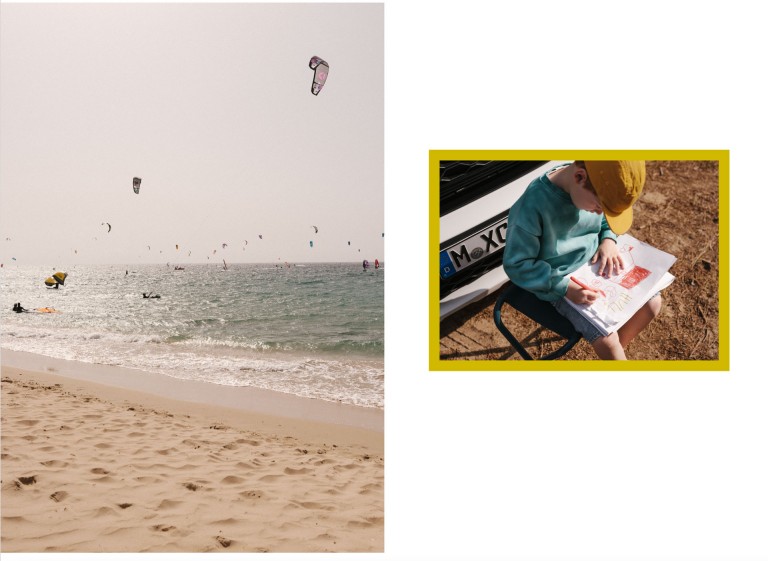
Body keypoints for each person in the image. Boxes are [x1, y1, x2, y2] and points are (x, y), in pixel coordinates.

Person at [502, 160, 661, 360]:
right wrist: (565, 288)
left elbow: (606, 221)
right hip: (559, 281)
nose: (600, 213)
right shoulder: (532, 207)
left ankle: (616, 352)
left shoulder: (592, 184)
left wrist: (608, 240)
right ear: (579, 177)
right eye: (598, 207)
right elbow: (517, 265)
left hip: (595, 267)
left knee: (653, 304)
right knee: (608, 342)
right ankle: (614, 353)